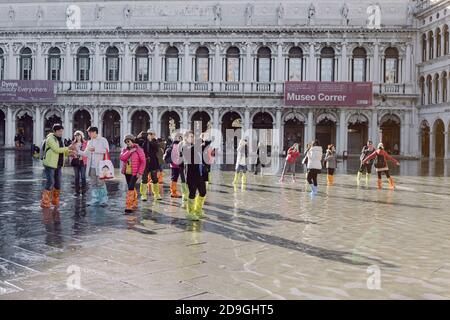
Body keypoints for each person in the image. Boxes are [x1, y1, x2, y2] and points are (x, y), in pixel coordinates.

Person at [40, 124, 75, 208]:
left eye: (61, 131)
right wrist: (68, 147)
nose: (61, 133)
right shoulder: (50, 139)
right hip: (50, 164)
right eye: (59, 131)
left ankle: (55, 201)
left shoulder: (61, 140)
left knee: (58, 184)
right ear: (54, 131)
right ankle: (45, 202)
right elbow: (56, 149)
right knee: (50, 182)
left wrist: (70, 153)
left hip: (58, 164)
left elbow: (62, 152)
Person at [183, 130, 208, 221]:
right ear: (186, 138)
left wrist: (204, 140)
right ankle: (190, 212)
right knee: (192, 193)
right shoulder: (185, 147)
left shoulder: (195, 147)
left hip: (200, 174)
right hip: (191, 175)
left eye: (193, 136)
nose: (192, 138)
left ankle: (198, 210)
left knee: (203, 192)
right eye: (190, 136)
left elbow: (205, 146)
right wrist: (199, 141)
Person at [82, 126, 110, 206]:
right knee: (93, 183)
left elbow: (107, 150)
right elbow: (85, 153)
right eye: (88, 132)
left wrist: (95, 150)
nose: (89, 134)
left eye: (89, 132)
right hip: (92, 166)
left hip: (101, 166)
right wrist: (76, 151)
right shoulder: (89, 142)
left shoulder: (103, 140)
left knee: (101, 183)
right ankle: (95, 200)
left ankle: (103, 200)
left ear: (94, 132)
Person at [120, 134, 146, 213]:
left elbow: (143, 162)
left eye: (129, 141)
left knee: (130, 187)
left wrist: (140, 172)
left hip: (135, 172)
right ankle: (134, 202)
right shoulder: (125, 149)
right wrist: (130, 152)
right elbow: (122, 158)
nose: (127, 143)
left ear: (132, 141)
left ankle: (129, 205)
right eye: (126, 141)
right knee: (131, 187)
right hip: (127, 172)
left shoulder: (139, 149)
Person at [136, 129, 162, 201]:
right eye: (149, 134)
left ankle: (156, 194)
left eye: (151, 134)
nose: (150, 135)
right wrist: (138, 137)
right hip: (145, 162)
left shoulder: (155, 141)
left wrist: (150, 140)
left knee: (154, 178)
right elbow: (135, 142)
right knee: (144, 178)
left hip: (153, 162)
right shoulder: (143, 141)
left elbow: (156, 148)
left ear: (154, 135)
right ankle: (143, 194)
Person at [164, 132, 183, 198]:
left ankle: (174, 192)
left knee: (174, 178)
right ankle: (173, 192)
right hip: (177, 164)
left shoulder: (172, 145)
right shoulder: (176, 145)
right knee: (175, 178)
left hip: (175, 164)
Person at [69, 131, 88, 195]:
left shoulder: (85, 143)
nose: (77, 137)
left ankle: (83, 191)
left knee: (83, 176)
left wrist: (81, 154)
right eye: (76, 135)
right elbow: (69, 152)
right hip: (75, 161)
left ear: (81, 136)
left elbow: (87, 153)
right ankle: (77, 191)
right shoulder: (73, 143)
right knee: (76, 177)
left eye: (78, 135)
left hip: (83, 161)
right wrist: (72, 154)